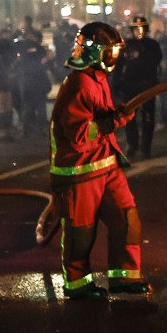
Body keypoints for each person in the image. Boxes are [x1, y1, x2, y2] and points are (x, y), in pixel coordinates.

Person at [50, 22, 147, 299]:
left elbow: (100, 117)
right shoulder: (78, 84)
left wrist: (113, 116)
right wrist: (112, 121)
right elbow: (78, 132)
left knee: (127, 218)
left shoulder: (96, 77)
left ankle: (124, 278)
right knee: (81, 232)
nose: (113, 58)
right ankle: (78, 284)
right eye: (109, 52)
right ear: (93, 52)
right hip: (78, 169)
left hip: (105, 163)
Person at [112, 16, 165, 159]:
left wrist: (143, 51)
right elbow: (118, 66)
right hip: (130, 86)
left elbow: (156, 62)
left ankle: (145, 147)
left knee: (148, 118)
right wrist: (116, 84)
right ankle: (133, 144)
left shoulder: (153, 45)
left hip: (147, 85)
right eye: (136, 29)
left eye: (142, 28)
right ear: (132, 30)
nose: (139, 32)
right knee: (129, 118)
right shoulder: (126, 46)